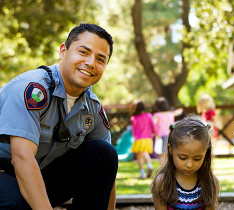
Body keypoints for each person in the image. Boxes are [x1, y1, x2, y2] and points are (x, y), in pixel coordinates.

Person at [0, 23, 118, 210]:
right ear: (63, 51)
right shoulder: (32, 89)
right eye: (84, 52)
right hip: (4, 171)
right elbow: (22, 158)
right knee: (19, 203)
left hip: (39, 174)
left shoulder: (93, 108)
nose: (90, 63)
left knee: (105, 153)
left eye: (100, 59)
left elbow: (106, 171)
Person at [151, 114, 220, 210]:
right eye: (182, 158)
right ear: (170, 149)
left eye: (197, 159)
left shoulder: (210, 182)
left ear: (206, 154)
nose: (189, 165)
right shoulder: (163, 183)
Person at [130, 99, 159, 179]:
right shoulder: (148, 115)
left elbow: (134, 131)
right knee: (143, 153)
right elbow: (153, 125)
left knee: (140, 156)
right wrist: (157, 134)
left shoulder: (133, 118)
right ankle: (147, 169)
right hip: (148, 138)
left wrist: (134, 139)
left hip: (139, 139)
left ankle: (144, 171)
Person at [152, 97, 175, 166]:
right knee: (168, 154)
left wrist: (156, 133)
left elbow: (153, 125)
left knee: (161, 154)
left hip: (160, 136)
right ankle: (167, 169)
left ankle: (163, 170)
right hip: (170, 135)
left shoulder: (157, 115)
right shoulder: (171, 114)